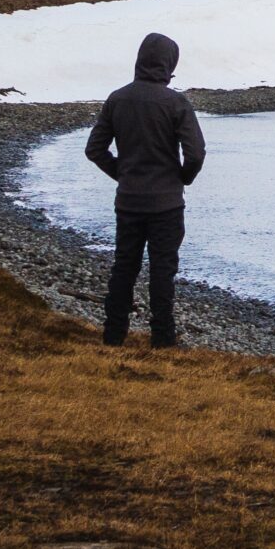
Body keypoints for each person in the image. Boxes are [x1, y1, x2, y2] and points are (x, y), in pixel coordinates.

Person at [85, 31, 206, 348]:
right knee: (162, 272)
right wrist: (181, 179)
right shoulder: (176, 103)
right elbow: (195, 154)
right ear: (169, 64)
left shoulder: (117, 98)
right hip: (166, 205)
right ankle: (163, 341)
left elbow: (94, 150)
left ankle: (113, 336)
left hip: (129, 201)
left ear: (140, 60)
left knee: (124, 266)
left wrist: (123, 174)